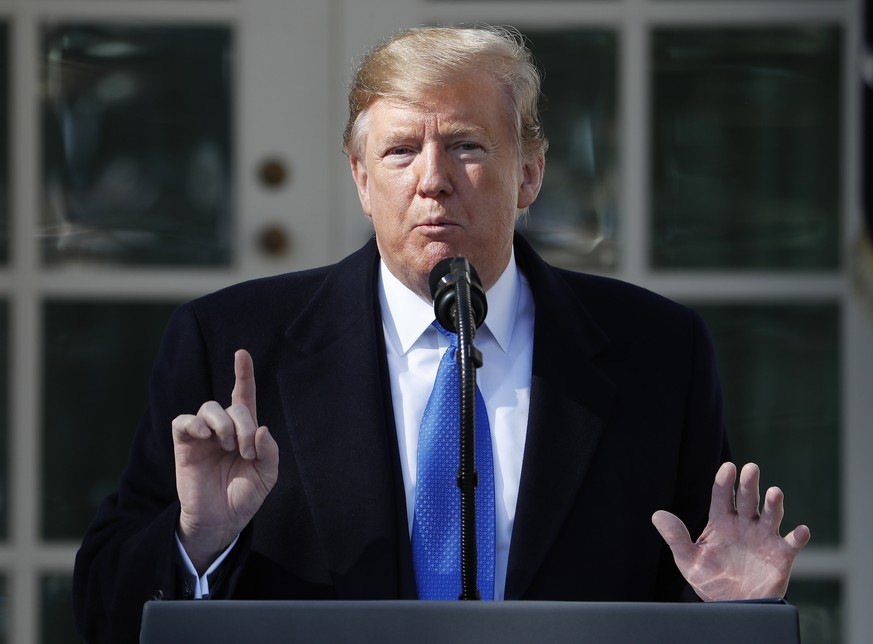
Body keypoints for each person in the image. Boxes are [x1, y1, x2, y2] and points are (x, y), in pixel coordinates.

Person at [73, 25, 810, 644]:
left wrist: (735, 613)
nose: (432, 180)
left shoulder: (657, 348)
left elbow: (685, 591)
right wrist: (198, 540)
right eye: (399, 152)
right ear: (361, 180)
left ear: (529, 173)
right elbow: (104, 606)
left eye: (465, 146)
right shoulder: (230, 339)